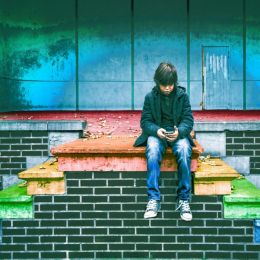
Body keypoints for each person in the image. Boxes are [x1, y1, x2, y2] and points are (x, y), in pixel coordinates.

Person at [134, 62, 194, 221]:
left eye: (170, 84)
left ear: (175, 82)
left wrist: (179, 132)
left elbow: (188, 120)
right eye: (164, 84)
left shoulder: (183, 96)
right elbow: (145, 122)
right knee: (152, 148)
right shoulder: (150, 97)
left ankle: (184, 199)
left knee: (183, 149)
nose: (167, 87)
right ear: (157, 82)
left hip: (178, 134)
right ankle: (153, 199)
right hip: (157, 134)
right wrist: (156, 131)